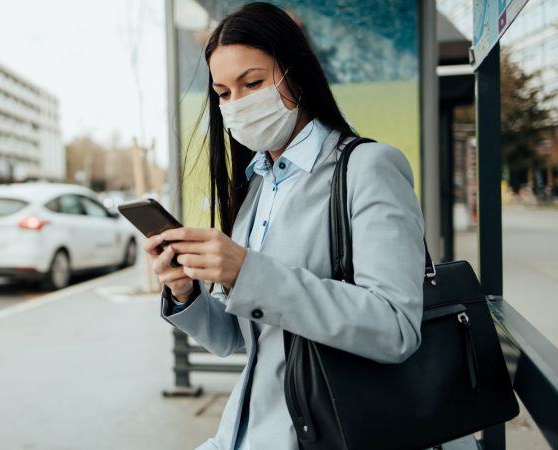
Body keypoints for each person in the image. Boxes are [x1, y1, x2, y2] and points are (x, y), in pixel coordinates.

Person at [142, 3, 475, 450]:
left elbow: (396, 328)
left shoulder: (368, 168)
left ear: (295, 74)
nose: (236, 105)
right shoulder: (257, 189)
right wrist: (186, 291)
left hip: (332, 431)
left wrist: (247, 271)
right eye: (222, 93)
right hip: (248, 430)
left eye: (253, 83)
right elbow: (235, 338)